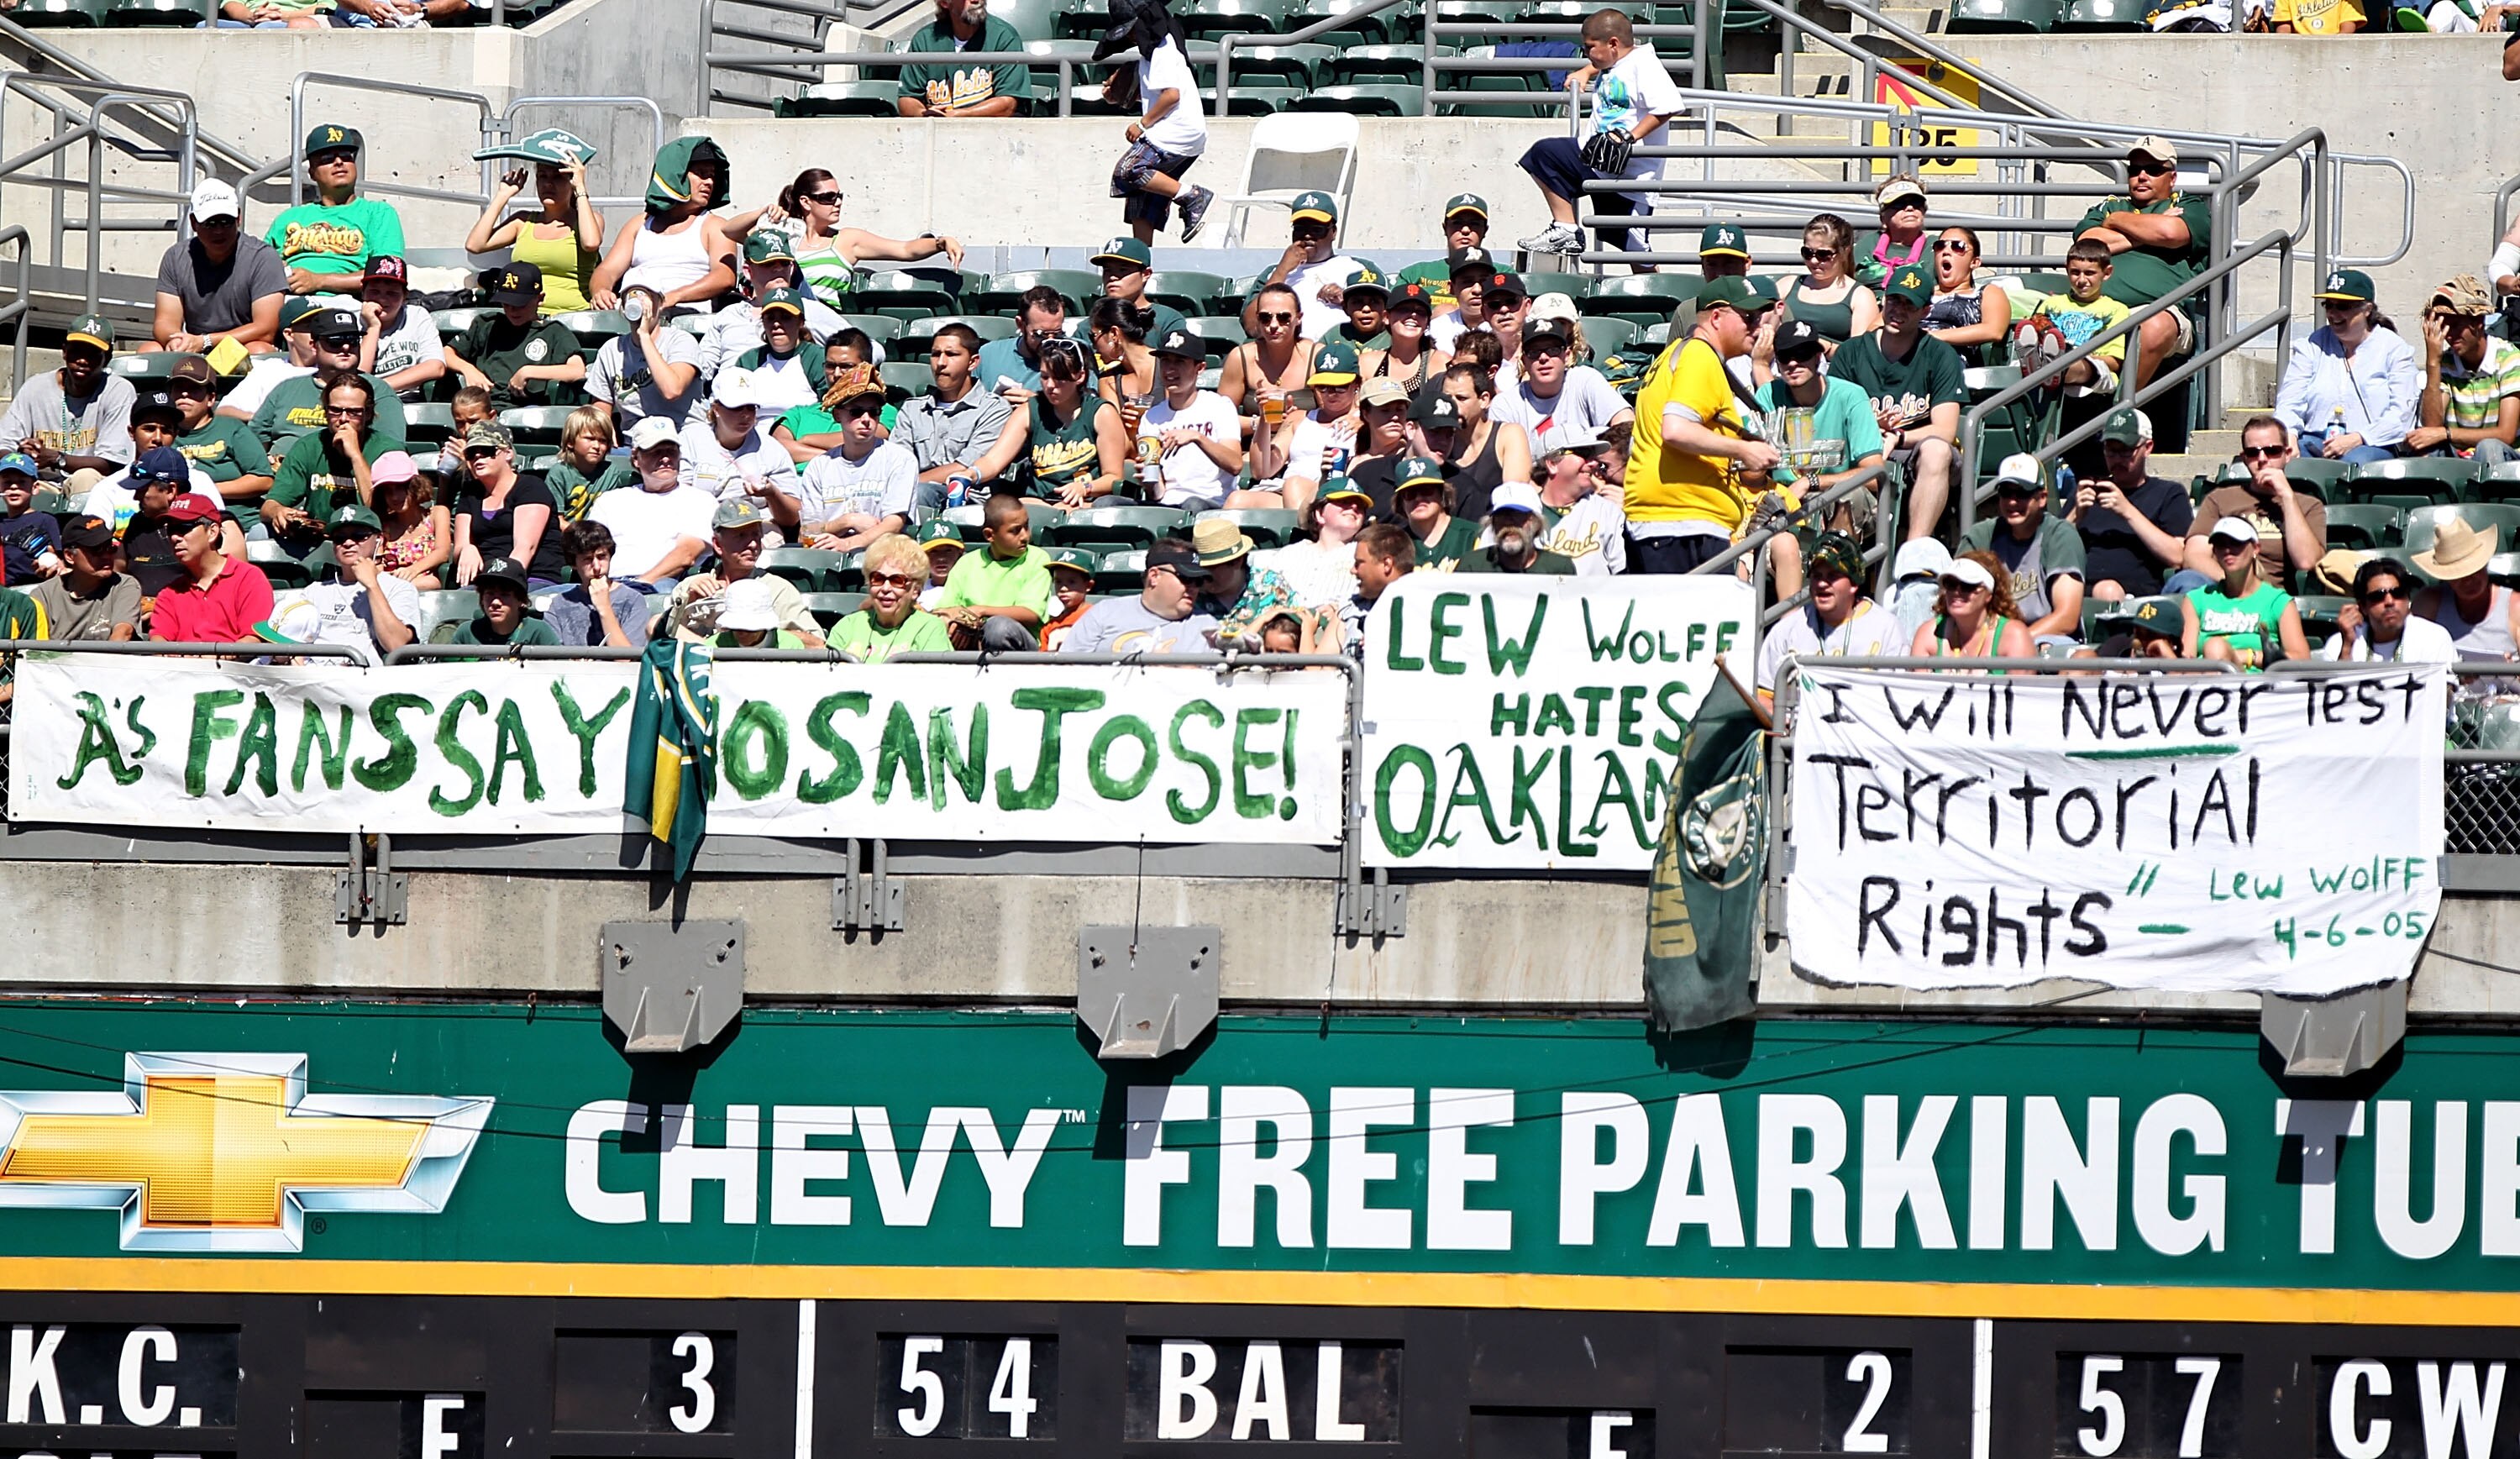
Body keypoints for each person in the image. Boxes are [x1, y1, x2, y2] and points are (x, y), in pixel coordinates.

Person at [1625, 276, 1780, 574]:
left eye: (1759, 318)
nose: (1757, 327)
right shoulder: (1699, 355)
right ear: (1717, 317)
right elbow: (1675, 429)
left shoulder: (1676, 354)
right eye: (1748, 317)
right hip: (1682, 524)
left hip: (1667, 521)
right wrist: (1744, 451)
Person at [1515, 8, 1679, 263]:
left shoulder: (1645, 64)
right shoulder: (1614, 61)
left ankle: (1651, 298)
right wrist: (1588, 70)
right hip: (1596, 158)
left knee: (1636, 251)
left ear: (1613, 43)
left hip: (1631, 174)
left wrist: (1630, 137)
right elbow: (1610, 64)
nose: (1587, 53)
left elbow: (1669, 106)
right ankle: (1566, 228)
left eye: (1590, 47)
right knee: (1543, 155)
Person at [1831, 265, 1966, 540]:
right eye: (1894, 300)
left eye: (1909, 305)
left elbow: (1945, 430)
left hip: (1914, 450)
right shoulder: (1851, 352)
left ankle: (1914, 552)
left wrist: (1898, 436)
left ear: (1925, 312)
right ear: (1883, 299)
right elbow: (1833, 418)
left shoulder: (1940, 355)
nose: (1898, 310)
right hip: (1859, 447)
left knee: (1938, 451)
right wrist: (1869, 429)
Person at [2076, 135, 2210, 389]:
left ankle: (2118, 408)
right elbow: (2087, 244)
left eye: (2154, 169)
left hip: (2163, 313)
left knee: (2154, 325)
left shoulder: (2187, 204)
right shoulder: (2112, 206)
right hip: (2097, 306)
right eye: (2135, 169)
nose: (2142, 175)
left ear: (2172, 178)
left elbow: (2171, 234)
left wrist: (2115, 222)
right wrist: (2145, 234)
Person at [2272, 268, 2419, 464]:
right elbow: (2289, 401)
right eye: (2329, 305)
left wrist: (2359, 437)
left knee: (2354, 462)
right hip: (2315, 439)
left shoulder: (2394, 349)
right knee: (2277, 458)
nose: (2333, 314)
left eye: (2343, 306)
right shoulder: (2312, 345)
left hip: (2372, 443)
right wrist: (2289, 434)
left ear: (2367, 309)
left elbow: (2402, 415)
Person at [1096, 0, 1215, 244]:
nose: (1129, 36)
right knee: (1140, 196)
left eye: (1131, 29)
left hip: (1176, 131)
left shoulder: (1163, 49)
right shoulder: (1150, 54)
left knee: (1128, 170)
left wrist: (1142, 124)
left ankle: (1192, 195)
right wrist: (1115, 94)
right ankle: (1141, 261)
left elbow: (1171, 95)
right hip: (1182, 134)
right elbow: (1154, 92)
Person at [765, 166, 965, 307]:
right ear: (806, 202)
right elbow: (732, 232)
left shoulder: (847, 240)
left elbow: (904, 249)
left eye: (839, 196)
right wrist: (762, 213)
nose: (838, 203)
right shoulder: (784, 237)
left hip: (823, 318)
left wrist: (941, 242)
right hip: (784, 314)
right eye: (828, 197)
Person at [1756, 318, 1886, 527]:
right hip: (1782, 498)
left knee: (1847, 496)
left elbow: (1875, 476)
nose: (1792, 363)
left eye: (1802, 355)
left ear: (1818, 359)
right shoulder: (1768, 395)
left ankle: (1829, 561)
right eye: (1785, 356)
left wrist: (1811, 482)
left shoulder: (1851, 396)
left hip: (1836, 497)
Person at [1756, 530, 1906, 710]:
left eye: (1833, 576)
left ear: (1854, 583)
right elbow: (1762, 694)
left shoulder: (1886, 628)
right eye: (1817, 576)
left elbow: (1900, 700)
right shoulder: (1787, 629)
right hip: (1798, 734)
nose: (1822, 584)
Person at [590, 138, 738, 316]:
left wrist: (674, 296)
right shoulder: (639, 224)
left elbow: (725, 277)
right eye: (700, 173)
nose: (709, 182)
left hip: (686, 318)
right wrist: (601, 290)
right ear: (676, 175)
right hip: (632, 314)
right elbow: (607, 270)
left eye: (712, 175)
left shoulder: (714, 226)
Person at [462, 132, 604, 316]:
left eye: (557, 177)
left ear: (571, 182)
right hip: (526, 320)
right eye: (542, 176)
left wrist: (581, 188)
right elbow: (475, 245)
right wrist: (503, 196)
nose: (548, 184)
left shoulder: (589, 219)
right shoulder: (522, 221)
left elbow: (591, 243)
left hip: (574, 317)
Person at [244, 307, 409, 459]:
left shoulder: (378, 391)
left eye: (352, 340)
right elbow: (254, 442)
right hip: (279, 478)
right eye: (335, 341)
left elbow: (391, 453)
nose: (345, 347)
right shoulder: (287, 389)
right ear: (314, 346)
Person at [1960, 453, 2087, 648]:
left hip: (2047, 638)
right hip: (1989, 636)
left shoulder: (2060, 536)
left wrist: (2012, 643)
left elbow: (2066, 618)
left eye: (2022, 494)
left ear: (2042, 498)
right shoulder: (1982, 535)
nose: (2012, 502)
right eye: (2006, 493)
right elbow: (1955, 595)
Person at [2186, 416, 2327, 590]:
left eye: (2272, 451)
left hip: (2273, 602)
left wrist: (2287, 497)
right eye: (2253, 453)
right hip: (2223, 593)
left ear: (2287, 454)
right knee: (2187, 581)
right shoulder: (2220, 499)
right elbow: (2194, 556)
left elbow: (2306, 562)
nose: (2262, 459)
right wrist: (2239, 584)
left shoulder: (2309, 505)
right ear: (2244, 458)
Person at [900, 325, 1028, 512]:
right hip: (914, 496)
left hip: (968, 500)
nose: (941, 363)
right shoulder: (913, 409)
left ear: (973, 362)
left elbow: (965, 467)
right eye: (936, 354)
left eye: (951, 354)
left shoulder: (994, 409)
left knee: (920, 493)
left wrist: (908, 485)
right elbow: (899, 465)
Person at [2070, 407, 2193, 601]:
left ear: (2148, 447)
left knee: (2108, 591)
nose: (2117, 460)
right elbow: (2048, 550)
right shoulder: (2087, 492)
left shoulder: (2168, 493)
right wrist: (2076, 516)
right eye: (2111, 451)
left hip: (2137, 595)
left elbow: (2179, 556)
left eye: (2126, 452)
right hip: (2077, 588)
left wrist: (2127, 511)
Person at [265, 125, 403, 297]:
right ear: (312, 173)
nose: (339, 162)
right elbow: (258, 270)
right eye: (327, 158)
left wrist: (318, 281)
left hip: (348, 308)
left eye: (346, 157)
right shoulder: (288, 218)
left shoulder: (378, 213)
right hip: (289, 303)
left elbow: (387, 275)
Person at [680, 369, 813, 546]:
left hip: (757, 525)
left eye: (751, 407)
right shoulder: (691, 439)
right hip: (702, 522)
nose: (745, 415)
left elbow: (792, 519)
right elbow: (679, 498)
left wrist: (772, 493)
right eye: (736, 407)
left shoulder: (771, 449)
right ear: (716, 409)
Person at [665, 498, 827, 643]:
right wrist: (689, 601)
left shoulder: (777, 589)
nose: (753, 545)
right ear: (718, 545)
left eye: (756, 535)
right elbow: (663, 635)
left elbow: (817, 644)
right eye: (741, 536)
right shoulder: (692, 585)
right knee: (655, 623)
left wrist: (762, 631)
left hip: (753, 667)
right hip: (699, 669)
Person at [154, 180, 283, 356]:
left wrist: (205, 341)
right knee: (150, 351)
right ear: (193, 223)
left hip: (240, 346)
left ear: (238, 218)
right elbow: (165, 320)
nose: (219, 231)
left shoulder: (263, 257)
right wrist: (176, 340)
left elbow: (266, 329)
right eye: (210, 223)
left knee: (259, 350)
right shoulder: (175, 257)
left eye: (226, 222)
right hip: (194, 347)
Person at [272, 504, 419, 659]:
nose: (348, 543)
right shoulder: (313, 591)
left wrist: (372, 586)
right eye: (339, 538)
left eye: (359, 535)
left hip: (363, 677)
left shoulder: (399, 588)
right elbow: (284, 643)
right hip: (313, 676)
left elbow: (396, 645)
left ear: (379, 540)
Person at [263, 371, 385, 558]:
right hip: (318, 539)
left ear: (368, 413)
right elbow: (268, 506)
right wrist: (279, 512)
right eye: (335, 410)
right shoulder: (308, 446)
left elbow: (380, 512)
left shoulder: (386, 450)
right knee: (258, 532)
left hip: (366, 540)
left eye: (353, 412)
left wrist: (355, 455)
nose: (343, 419)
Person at [3, 314, 134, 483]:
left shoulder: (118, 390)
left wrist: (57, 459)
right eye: (77, 351)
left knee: (85, 477)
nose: (82, 360)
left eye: (93, 354)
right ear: (64, 351)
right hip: (39, 481)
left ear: (107, 358)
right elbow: (4, 446)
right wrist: (24, 455)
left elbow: (112, 464)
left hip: (92, 486)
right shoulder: (35, 387)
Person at [800, 364, 917, 551]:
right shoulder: (819, 467)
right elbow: (806, 533)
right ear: (838, 415)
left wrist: (848, 543)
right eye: (856, 412)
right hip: (829, 555)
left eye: (874, 412)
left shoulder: (901, 459)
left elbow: (894, 523)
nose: (866, 419)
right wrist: (848, 521)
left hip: (884, 555)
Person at [594, 418, 722, 590]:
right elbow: (590, 550)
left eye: (671, 451)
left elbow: (686, 555)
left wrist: (637, 585)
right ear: (635, 458)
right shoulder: (610, 501)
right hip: (607, 584)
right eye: (655, 452)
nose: (665, 459)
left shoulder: (700, 501)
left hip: (661, 585)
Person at [2408, 274, 2520, 465]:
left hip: (2503, 460)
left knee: (2488, 447)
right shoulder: (2445, 363)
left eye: (2456, 325)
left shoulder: (2509, 359)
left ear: (2478, 323)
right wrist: (2433, 363)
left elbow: (2506, 434)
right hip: (2457, 455)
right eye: (2443, 326)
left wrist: (2446, 433)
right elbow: (2431, 426)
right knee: (2427, 450)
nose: (2449, 335)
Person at [1495, 298, 1633, 452]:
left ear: (1566, 355)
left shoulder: (1585, 380)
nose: (1543, 358)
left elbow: (1625, 422)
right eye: (1534, 352)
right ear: (1524, 360)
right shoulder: (1506, 404)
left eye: (1553, 350)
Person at [444, 264, 585, 411]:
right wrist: (468, 369)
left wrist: (528, 371)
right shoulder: (487, 325)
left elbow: (576, 370)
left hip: (527, 409)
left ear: (540, 298)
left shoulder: (553, 332)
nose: (512, 310)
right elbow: (446, 353)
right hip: (484, 408)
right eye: (507, 303)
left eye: (520, 304)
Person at [448, 420, 564, 591]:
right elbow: (460, 546)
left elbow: (525, 549)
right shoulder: (470, 493)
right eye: (471, 453)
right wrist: (467, 549)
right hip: (486, 584)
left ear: (508, 453)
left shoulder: (530, 487)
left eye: (487, 451)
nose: (478, 457)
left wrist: (500, 588)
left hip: (532, 580)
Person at [931, 492, 1054, 650]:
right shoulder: (967, 563)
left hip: (1022, 647)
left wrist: (980, 611)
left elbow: (1031, 614)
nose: (1025, 536)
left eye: (1026, 526)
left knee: (998, 627)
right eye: (1015, 531)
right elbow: (946, 611)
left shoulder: (1037, 558)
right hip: (971, 643)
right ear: (990, 535)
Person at [1139, 327, 1244, 510]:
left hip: (1210, 501)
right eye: (1165, 361)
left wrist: (1197, 437)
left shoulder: (1219, 406)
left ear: (1200, 368)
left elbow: (1235, 464)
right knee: (1106, 504)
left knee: (1192, 504)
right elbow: (1158, 493)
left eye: (1179, 361)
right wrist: (1149, 481)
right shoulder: (1151, 417)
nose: (1170, 369)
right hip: (1168, 504)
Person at [1252, 340, 1362, 514]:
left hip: (1332, 495)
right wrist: (1264, 421)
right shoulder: (1298, 418)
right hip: (1285, 491)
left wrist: (1364, 421)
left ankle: (1304, 537)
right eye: (1323, 386)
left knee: (1294, 485)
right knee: (1236, 500)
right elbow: (1262, 470)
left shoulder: (1366, 420)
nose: (1330, 393)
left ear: (1357, 385)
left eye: (1340, 387)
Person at [1060, 538, 1221, 654]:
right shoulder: (1104, 613)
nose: (1193, 588)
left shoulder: (1207, 628)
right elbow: (1067, 670)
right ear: (1154, 576)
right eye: (1185, 578)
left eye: (1198, 581)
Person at [2184, 517, 2307, 668]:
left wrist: (2248, 656)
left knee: (2215, 647)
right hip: (2204, 683)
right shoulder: (2196, 600)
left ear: (2255, 548)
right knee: (2215, 648)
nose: (2228, 551)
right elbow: (2186, 660)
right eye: (2221, 545)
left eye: (2236, 543)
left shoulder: (2277, 602)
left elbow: (2301, 659)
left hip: (2257, 685)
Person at [150, 492, 273, 643]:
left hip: (234, 666)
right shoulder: (170, 593)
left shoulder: (249, 579)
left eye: (183, 527)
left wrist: (211, 659)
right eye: (170, 530)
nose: (175, 537)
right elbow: (158, 641)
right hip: (181, 666)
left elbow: (253, 639)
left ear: (213, 532)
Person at [2022, 239, 2135, 395]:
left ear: (2107, 273)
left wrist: (2073, 359)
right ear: (2067, 270)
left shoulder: (2116, 310)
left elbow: (2115, 362)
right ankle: (2048, 366)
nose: (2082, 280)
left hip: (2095, 372)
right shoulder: (2052, 304)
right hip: (2050, 365)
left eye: (2090, 273)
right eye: (2075, 272)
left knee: (2075, 365)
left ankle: (2055, 368)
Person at [1023, 336, 1126, 506]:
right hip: (1040, 500)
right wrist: (972, 473)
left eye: (1059, 378)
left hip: (1082, 501)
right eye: (1044, 376)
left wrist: (1084, 487)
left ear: (1079, 376)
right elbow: (994, 460)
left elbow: (1113, 477)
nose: (1050, 385)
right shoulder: (1032, 409)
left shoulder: (1101, 412)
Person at [587, 286, 704, 434]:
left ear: (661, 304)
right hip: (637, 442)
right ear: (623, 307)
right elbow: (601, 405)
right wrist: (605, 435)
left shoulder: (680, 340)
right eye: (633, 297)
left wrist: (644, 336)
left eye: (647, 297)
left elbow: (672, 390)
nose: (640, 304)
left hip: (683, 434)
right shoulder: (611, 349)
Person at [1253, 192, 1363, 342]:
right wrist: (1282, 269)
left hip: (1338, 353)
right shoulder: (1273, 273)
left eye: (1317, 229)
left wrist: (1346, 300)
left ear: (1333, 232)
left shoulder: (1354, 268)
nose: (1307, 236)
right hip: (1287, 354)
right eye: (1300, 229)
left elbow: (1381, 318)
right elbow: (1252, 326)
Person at [832, 530, 958, 660]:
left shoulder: (930, 628)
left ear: (916, 590)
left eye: (897, 580)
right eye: (878, 579)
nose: (885, 588)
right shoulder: (848, 625)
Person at [1220, 281, 1315, 443]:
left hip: (1304, 447)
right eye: (1265, 317)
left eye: (1283, 317)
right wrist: (1261, 423)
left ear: (1298, 318)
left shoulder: (1315, 356)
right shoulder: (1241, 357)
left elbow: (1333, 413)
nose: (1273, 325)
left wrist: (1293, 421)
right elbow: (1220, 419)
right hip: (1254, 447)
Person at [2412, 517, 2520, 661]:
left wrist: (2511, 673)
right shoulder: (2427, 605)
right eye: (2459, 575)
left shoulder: (2516, 607)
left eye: (2474, 571)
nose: (2468, 581)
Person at [897, 0, 1030, 117]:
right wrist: (925, 115)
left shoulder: (1003, 36)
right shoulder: (925, 40)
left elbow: (1008, 104)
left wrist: (961, 115)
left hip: (991, 135)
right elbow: (907, 100)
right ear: (945, 3)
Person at [166, 355, 270, 498]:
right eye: (178, 389)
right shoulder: (162, 432)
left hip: (236, 514)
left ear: (211, 398)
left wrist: (206, 489)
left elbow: (264, 480)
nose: (184, 394)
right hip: (176, 515)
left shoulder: (231, 429)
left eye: (194, 389)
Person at [2322, 555, 2455, 663]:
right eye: (2378, 596)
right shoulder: (2339, 644)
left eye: (2398, 593)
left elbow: (2447, 692)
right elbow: (2333, 694)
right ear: (2363, 606)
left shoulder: (2434, 638)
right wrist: (2347, 649)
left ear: (2408, 598)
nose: (2389, 602)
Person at [1192, 517, 1302, 646]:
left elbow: (1294, 637)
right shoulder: (1189, 591)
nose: (1203, 574)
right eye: (1198, 568)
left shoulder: (1272, 587)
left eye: (1211, 567)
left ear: (1237, 561)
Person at [27, 514, 139, 641]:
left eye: (110, 548)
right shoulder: (44, 595)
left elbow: (123, 634)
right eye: (96, 550)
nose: (106, 556)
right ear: (69, 556)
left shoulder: (124, 585)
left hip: (107, 659)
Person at [542, 519, 650, 648]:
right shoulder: (559, 604)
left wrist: (604, 608)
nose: (597, 567)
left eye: (602, 557)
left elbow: (628, 658)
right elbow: (552, 658)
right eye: (588, 559)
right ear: (573, 563)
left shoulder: (633, 600)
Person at [1777, 214, 1880, 349]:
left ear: (1845, 252)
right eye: (1807, 252)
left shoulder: (1860, 296)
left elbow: (1858, 353)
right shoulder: (1786, 285)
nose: (1814, 261)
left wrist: (1824, 347)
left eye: (1823, 255)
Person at [1261, 480, 1368, 607]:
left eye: (1360, 505)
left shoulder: (1367, 556)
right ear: (1319, 514)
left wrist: (1338, 612)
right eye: (1344, 502)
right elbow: (1265, 598)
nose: (1354, 507)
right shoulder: (1289, 554)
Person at [1532, 433, 1627, 575]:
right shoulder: (1521, 513)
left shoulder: (1607, 512)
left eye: (1593, 456)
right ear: (1552, 463)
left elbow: (1623, 575)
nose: (1594, 463)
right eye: (1584, 454)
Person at [355, 257, 448, 401]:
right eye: (374, 291)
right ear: (363, 292)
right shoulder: (351, 320)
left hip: (406, 398)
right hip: (361, 402)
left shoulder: (417, 316)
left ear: (405, 296)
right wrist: (373, 327)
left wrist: (379, 387)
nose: (383, 299)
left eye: (392, 293)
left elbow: (436, 367)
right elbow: (358, 376)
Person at [1914, 551, 2034, 659]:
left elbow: (2021, 684)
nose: (1957, 592)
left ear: (1989, 595)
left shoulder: (2014, 636)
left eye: (1968, 585)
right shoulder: (1929, 634)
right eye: (1951, 584)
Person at [1923, 225, 2011, 368]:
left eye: (1958, 246)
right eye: (1940, 246)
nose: (1946, 251)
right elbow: (1876, 325)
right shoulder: (1919, 292)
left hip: (1948, 361)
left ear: (1974, 262)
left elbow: (1994, 330)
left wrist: (1932, 336)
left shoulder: (1986, 292)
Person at [734, 288, 828, 412]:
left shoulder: (816, 358)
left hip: (804, 430)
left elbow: (829, 409)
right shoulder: (749, 361)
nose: (776, 324)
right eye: (770, 318)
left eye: (786, 317)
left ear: (801, 322)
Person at [431, 556, 559, 648]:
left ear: (521, 600)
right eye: (489, 594)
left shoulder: (538, 632)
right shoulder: (467, 632)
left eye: (505, 595)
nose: (496, 602)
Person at [1336, 380, 1419, 520]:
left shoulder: (1412, 460)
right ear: (1366, 414)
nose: (1395, 417)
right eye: (1385, 410)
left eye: (1400, 410)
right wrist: (1325, 479)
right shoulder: (1350, 461)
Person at [370, 449, 450, 588]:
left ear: (415, 486)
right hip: (389, 587)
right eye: (388, 491)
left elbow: (442, 552)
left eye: (401, 488)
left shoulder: (437, 514)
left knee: (429, 583)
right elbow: (377, 565)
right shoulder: (382, 525)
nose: (395, 497)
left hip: (425, 588)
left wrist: (413, 570)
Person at [1393, 196, 1489, 307]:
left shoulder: (1502, 273)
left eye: (1475, 224)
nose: (1465, 230)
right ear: (1445, 228)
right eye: (1457, 223)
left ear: (1485, 230)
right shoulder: (1414, 273)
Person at [1461, 482, 1577, 575]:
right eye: (1502, 516)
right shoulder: (1472, 566)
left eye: (1518, 515)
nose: (1509, 523)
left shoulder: (1559, 568)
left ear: (1537, 522)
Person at [1092, 236, 1191, 342]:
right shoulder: (1093, 321)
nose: (1112, 277)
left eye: (1123, 270)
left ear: (1145, 274)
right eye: (1107, 270)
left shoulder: (1168, 320)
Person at [1363, 282, 1452, 399]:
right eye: (1404, 309)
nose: (1413, 315)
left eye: (1421, 312)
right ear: (1386, 317)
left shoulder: (1441, 362)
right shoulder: (1368, 363)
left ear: (1427, 323)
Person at [978, 288, 1068, 400]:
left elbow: (1088, 410)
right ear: (1020, 324)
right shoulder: (988, 355)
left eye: (1057, 333)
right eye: (1040, 334)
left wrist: (1039, 404)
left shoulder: (1074, 355)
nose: (1050, 341)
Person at [547, 408, 633, 522]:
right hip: (568, 535)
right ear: (570, 442)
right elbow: (557, 520)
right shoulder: (559, 473)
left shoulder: (610, 472)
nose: (597, 446)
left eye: (603, 441)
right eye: (590, 439)